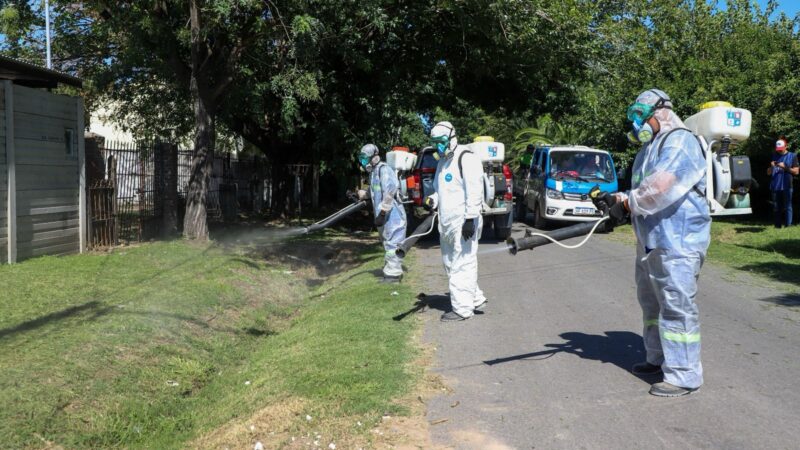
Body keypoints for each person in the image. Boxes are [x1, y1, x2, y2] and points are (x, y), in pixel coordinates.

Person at [592, 89, 710, 397]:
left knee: (676, 305)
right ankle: (657, 359)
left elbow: (660, 187)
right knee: (651, 304)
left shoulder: (681, 141)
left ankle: (684, 375)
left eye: (640, 116)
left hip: (678, 241)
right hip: (651, 240)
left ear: (660, 112)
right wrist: (616, 199)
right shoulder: (649, 148)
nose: (636, 124)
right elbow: (642, 188)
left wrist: (627, 204)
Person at [424, 121, 488, 321]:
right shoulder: (442, 162)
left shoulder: (466, 158)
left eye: (441, 141)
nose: (438, 146)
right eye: (435, 142)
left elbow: (475, 191)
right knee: (450, 263)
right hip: (447, 223)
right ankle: (475, 298)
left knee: (463, 264)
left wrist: (470, 218)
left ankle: (462, 309)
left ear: (452, 138)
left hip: (463, 222)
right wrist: (432, 200)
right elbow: (440, 190)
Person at [358, 144, 407, 283]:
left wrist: (383, 213)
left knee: (393, 246)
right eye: (361, 158)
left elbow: (389, 193)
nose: (363, 161)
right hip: (384, 217)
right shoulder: (374, 172)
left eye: (365, 157)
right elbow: (374, 191)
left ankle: (393, 276)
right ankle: (389, 272)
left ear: (374, 156)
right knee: (387, 244)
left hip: (393, 217)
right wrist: (361, 195)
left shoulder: (384, 169)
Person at [767, 137, 798, 227]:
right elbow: (768, 173)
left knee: (788, 206)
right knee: (776, 207)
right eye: (778, 149)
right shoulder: (774, 155)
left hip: (787, 185)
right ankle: (777, 226)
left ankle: (788, 225)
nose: (779, 151)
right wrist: (772, 167)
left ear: (786, 146)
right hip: (775, 185)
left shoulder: (792, 156)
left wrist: (785, 167)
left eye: (781, 149)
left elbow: (796, 172)